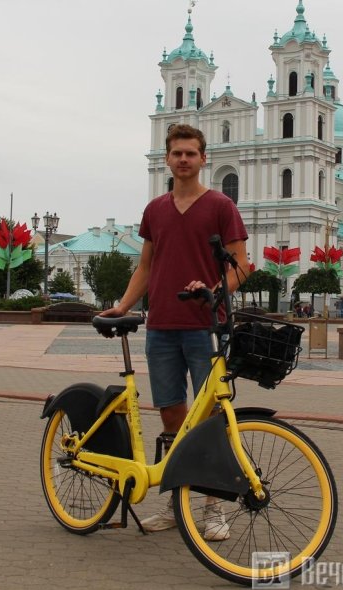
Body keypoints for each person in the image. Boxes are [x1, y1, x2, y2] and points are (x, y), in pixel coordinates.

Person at [100, 124, 249, 541]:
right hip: (162, 326)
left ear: (203, 159)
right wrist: (124, 305)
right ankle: (175, 503)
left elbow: (242, 265)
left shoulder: (221, 205)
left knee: (209, 418)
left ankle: (214, 507)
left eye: (191, 153)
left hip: (205, 328)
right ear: (167, 158)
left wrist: (214, 292)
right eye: (177, 153)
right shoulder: (155, 210)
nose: (184, 159)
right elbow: (146, 266)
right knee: (171, 416)